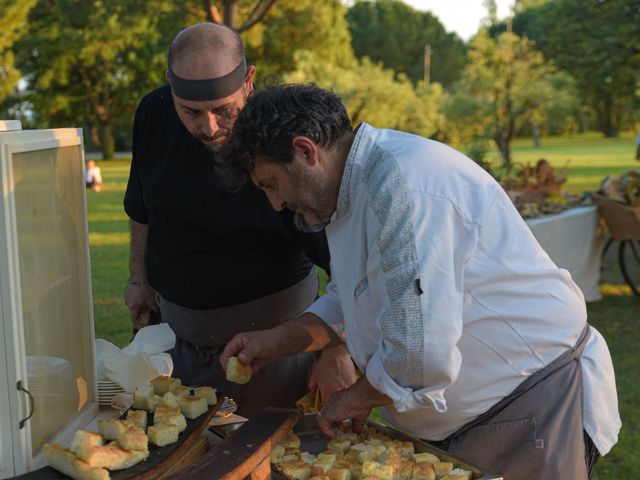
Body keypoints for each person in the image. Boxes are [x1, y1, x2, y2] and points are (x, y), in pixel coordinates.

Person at [217, 84, 620, 479]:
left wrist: (351, 400)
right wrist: (281, 340)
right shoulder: (348, 187)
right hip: (473, 420)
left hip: (530, 405)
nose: (276, 203)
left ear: (306, 152)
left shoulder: (403, 189)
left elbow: (418, 356)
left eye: (271, 183)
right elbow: (355, 298)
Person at [123, 24, 355, 417]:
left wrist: (337, 347)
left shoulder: (283, 136)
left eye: (223, 110)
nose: (208, 127)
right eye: (191, 112)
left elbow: (344, 253)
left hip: (277, 347)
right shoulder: (152, 113)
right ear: (170, 85)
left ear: (248, 82)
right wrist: (138, 278)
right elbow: (142, 208)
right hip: (177, 341)